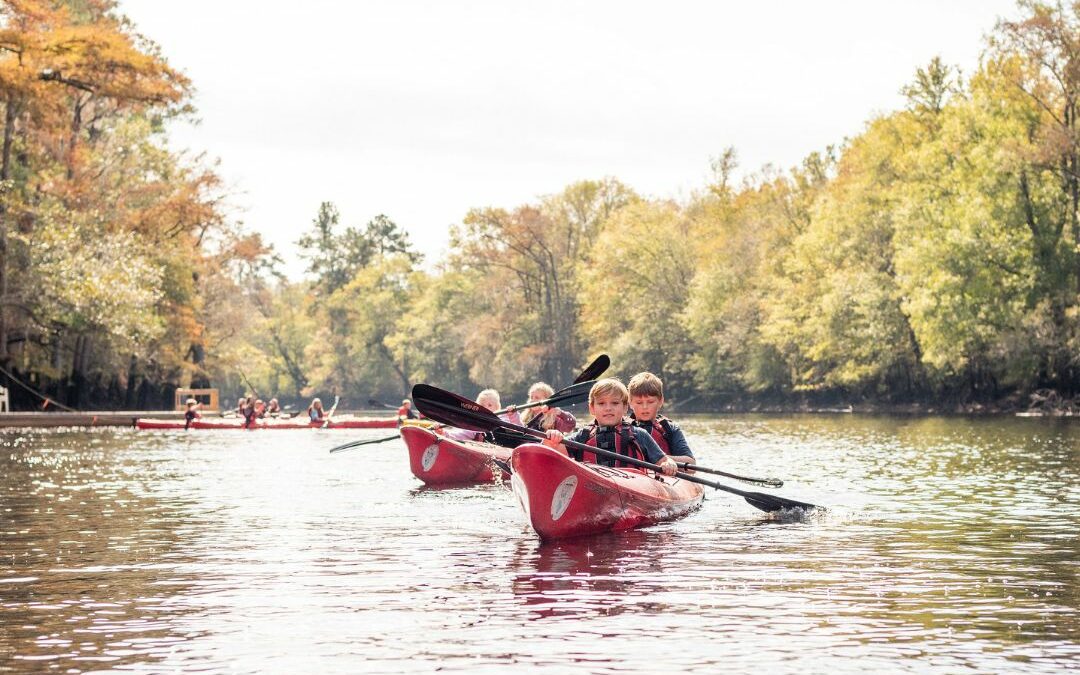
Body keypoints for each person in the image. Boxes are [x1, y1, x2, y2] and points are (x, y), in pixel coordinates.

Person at [542, 378, 678, 476]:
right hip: (592, 487)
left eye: (615, 403)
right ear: (592, 408)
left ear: (625, 407)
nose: (608, 408)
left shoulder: (639, 434)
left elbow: (663, 460)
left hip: (631, 490)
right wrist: (553, 440)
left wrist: (668, 464)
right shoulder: (582, 436)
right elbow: (557, 455)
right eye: (601, 403)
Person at [627, 372, 696, 468]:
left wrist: (659, 458)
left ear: (660, 401)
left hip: (663, 475)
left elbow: (691, 464)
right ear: (630, 402)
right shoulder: (621, 427)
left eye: (650, 401)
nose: (645, 407)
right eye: (639, 402)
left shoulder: (669, 429)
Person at [445, 389, 522, 441]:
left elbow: (518, 429)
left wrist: (513, 415)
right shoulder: (476, 423)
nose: (485, 408)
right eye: (482, 405)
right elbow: (462, 433)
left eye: (490, 405)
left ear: (497, 407)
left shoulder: (504, 417)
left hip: (505, 445)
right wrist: (445, 433)